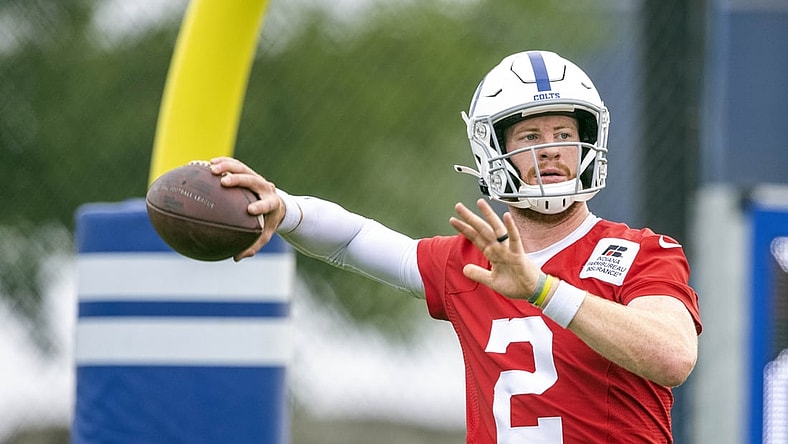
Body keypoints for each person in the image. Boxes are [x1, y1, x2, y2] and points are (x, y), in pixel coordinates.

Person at [210, 50, 702, 443]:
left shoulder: (641, 250)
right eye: (530, 135)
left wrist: (542, 289)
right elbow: (355, 237)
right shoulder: (469, 262)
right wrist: (285, 208)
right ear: (494, 152)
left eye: (564, 134)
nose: (551, 149)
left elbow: (672, 357)